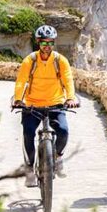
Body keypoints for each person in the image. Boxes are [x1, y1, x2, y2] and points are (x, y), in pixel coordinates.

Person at [12, 25, 79, 187]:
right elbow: (21, 81)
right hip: (32, 104)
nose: (47, 46)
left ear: (54, 43)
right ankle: (29, 169)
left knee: (63, 130)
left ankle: (58, 156)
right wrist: (18, 99)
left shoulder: (60, 61)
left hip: (55, 103)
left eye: (50, 43)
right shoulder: (30, 60)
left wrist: (70, 98)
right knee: (28, 133)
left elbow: (68, 80)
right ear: (38, 42)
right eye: (43, 43)